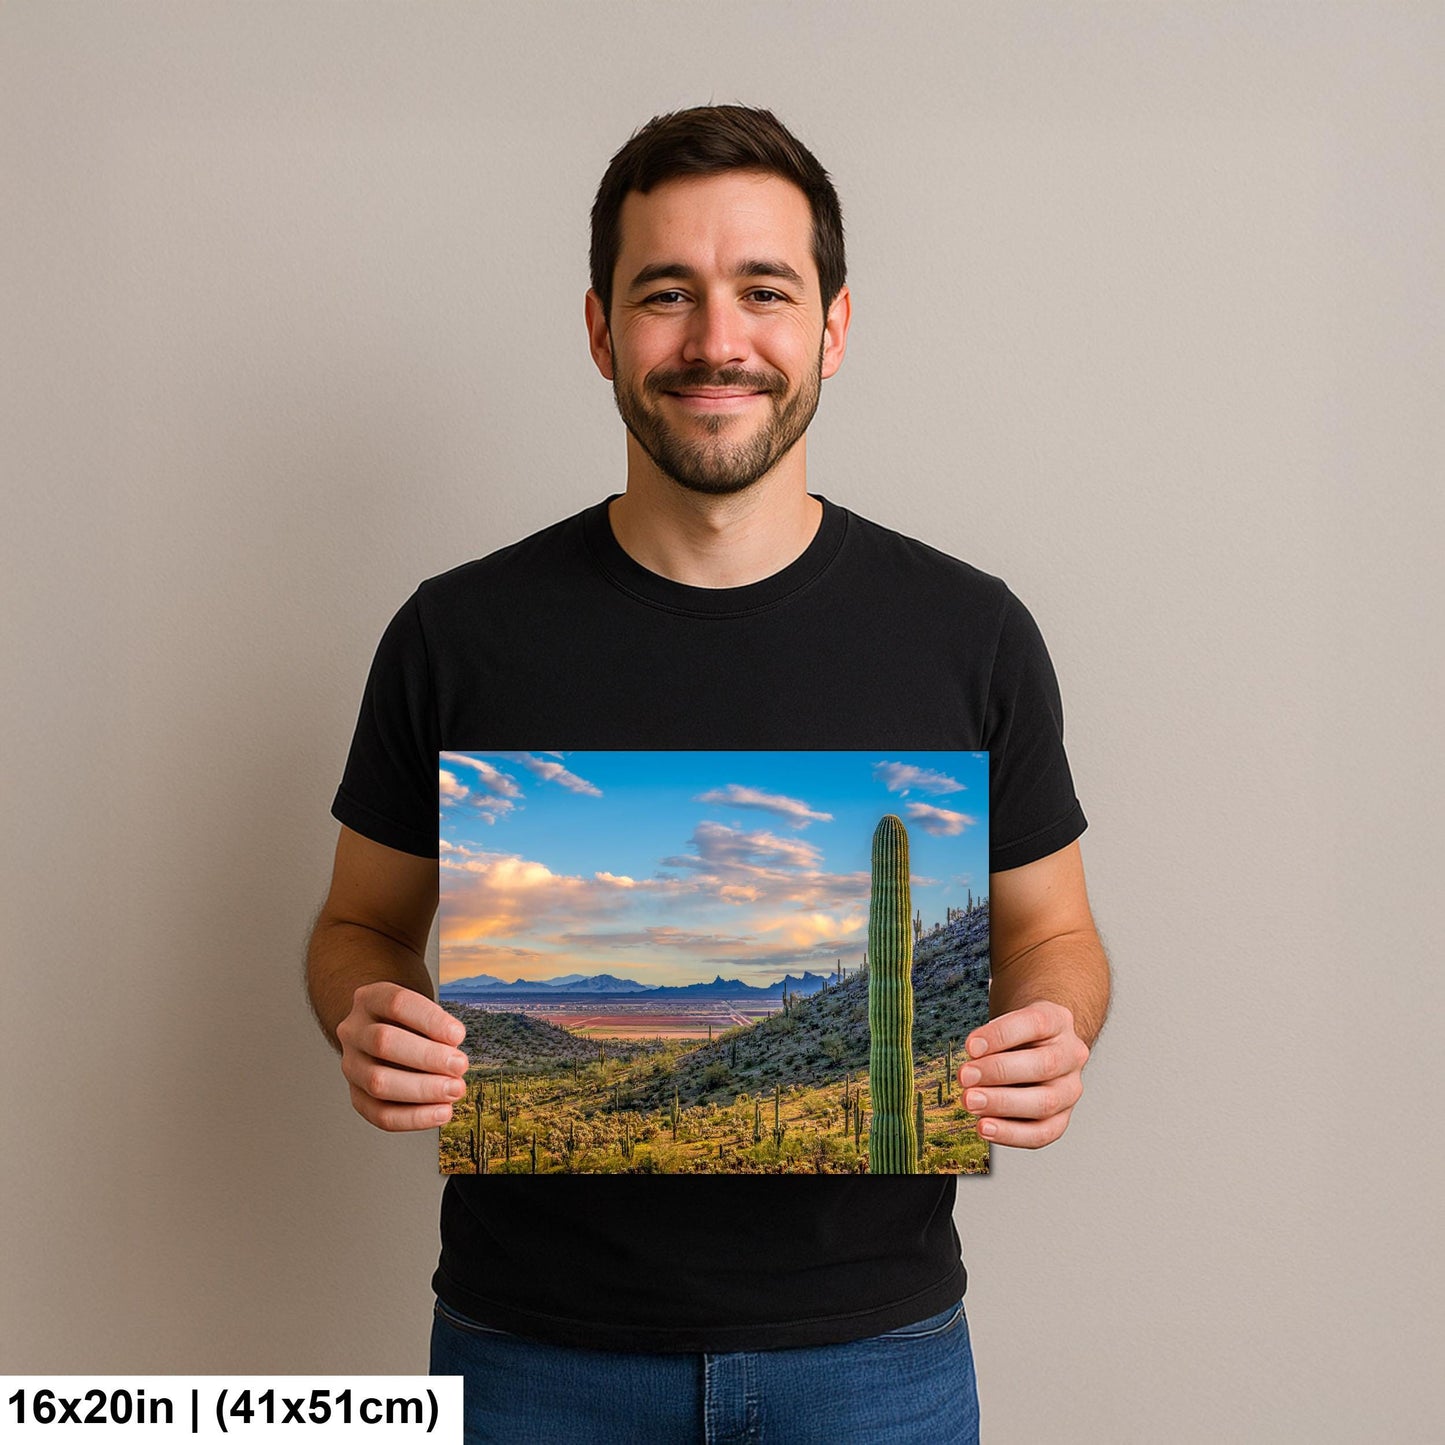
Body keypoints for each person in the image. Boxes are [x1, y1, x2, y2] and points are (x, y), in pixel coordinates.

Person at [306, 104, 1110, 1444]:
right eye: (665, 293)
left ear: (832, 329)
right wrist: (369, 1011)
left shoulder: (969, 633)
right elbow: (356, 923)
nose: (715, 339)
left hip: (875, 1354)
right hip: (530, 1356)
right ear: (599, 330)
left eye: (763, 291)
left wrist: (1052, 1029)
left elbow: (1057, 935)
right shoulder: (460, 632)